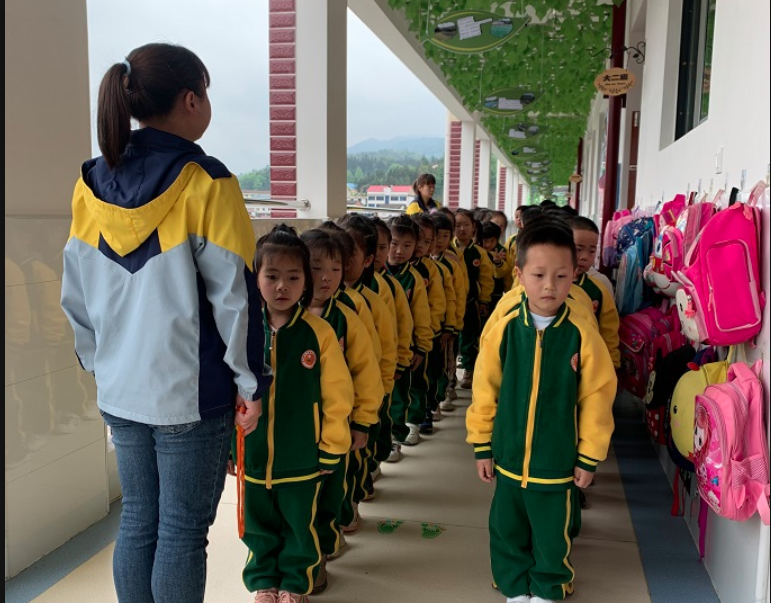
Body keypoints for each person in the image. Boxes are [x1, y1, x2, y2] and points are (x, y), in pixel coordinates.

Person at [59, 43, 272, 603]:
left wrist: (99, 363)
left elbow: (74, 292)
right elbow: (236, 298)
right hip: (189, 392)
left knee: (137, 521)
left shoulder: (90, 184)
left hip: (120, 389)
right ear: (190, 99)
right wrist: (251, 383)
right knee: (180, 531)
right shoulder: (208, 181)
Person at [466, 219, 617, 603]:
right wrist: (482, 444)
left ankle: (550, 586)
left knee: (553, 531)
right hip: (508, 455)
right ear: (519, 275)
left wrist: (589, 456)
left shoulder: (581, 333)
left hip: (557, 459)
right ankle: (514, 585)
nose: (550, 286)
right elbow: (484, 390)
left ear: (574, 274)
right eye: (538, 275)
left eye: (561, 276)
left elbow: (597, 398)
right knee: (507, 527)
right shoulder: (504, 328)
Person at [237, 225, 353, 603]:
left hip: (303, 455)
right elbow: (228, 396)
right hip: (254, 454)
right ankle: (264, 582)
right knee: (257, 526)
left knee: (300, 526)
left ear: (306, 281)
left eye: (293, 277)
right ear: (256, 279)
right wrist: (230, 448)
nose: (282, 286)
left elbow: (337, 397)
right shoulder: (243, 330)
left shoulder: (318, 333)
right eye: (272, 276)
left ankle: (295, 583)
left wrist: (331, 447)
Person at [300, 228, 381, 591]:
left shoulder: (347, 317)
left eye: (335, 269)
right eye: (317, 267)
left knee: (331, 490)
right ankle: (301, 558)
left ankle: (323, 547)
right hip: (293, 428)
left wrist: (363, 420)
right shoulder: (281, 317)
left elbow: (367, 372)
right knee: (297, 496)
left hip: (336, 425)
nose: (327, 277)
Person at [386, 215, 432, 452]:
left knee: (403, 391)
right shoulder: (377, 276)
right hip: (381, 347)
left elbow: (422, 316)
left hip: (406, 346)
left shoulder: (413, 278)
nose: (399, 251)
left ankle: (399, 433)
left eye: (407, 245)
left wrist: (421, 346)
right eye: (393, 243)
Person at [569, 217, 620, 368]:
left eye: (591, 251)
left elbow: (609, 331)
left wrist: (612, 363)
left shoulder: (598, 288)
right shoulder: (549, 285)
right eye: (578, 249)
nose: (584, 257)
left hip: (589, 363)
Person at [430, 212, 467, 413]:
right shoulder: (424, 262)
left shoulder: (451, 262)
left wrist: (455, 324)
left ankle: (446, 390)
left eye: (445, 236)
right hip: (430, 323)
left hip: (448, 321)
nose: (440, 241)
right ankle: (436, 396)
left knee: (447, 359)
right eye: (436, 236)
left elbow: (459, 295)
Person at [453, 209, 494, 389]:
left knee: (470, 335)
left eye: (466, 225)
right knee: (453, 337)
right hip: (452, 302)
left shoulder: (479, 253)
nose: (462, 229)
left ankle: (469, 370)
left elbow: (486, 278)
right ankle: (450, 374)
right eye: (457, 225)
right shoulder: (449, 251)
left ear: (473, 227)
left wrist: (484, 300)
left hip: (471, 302)